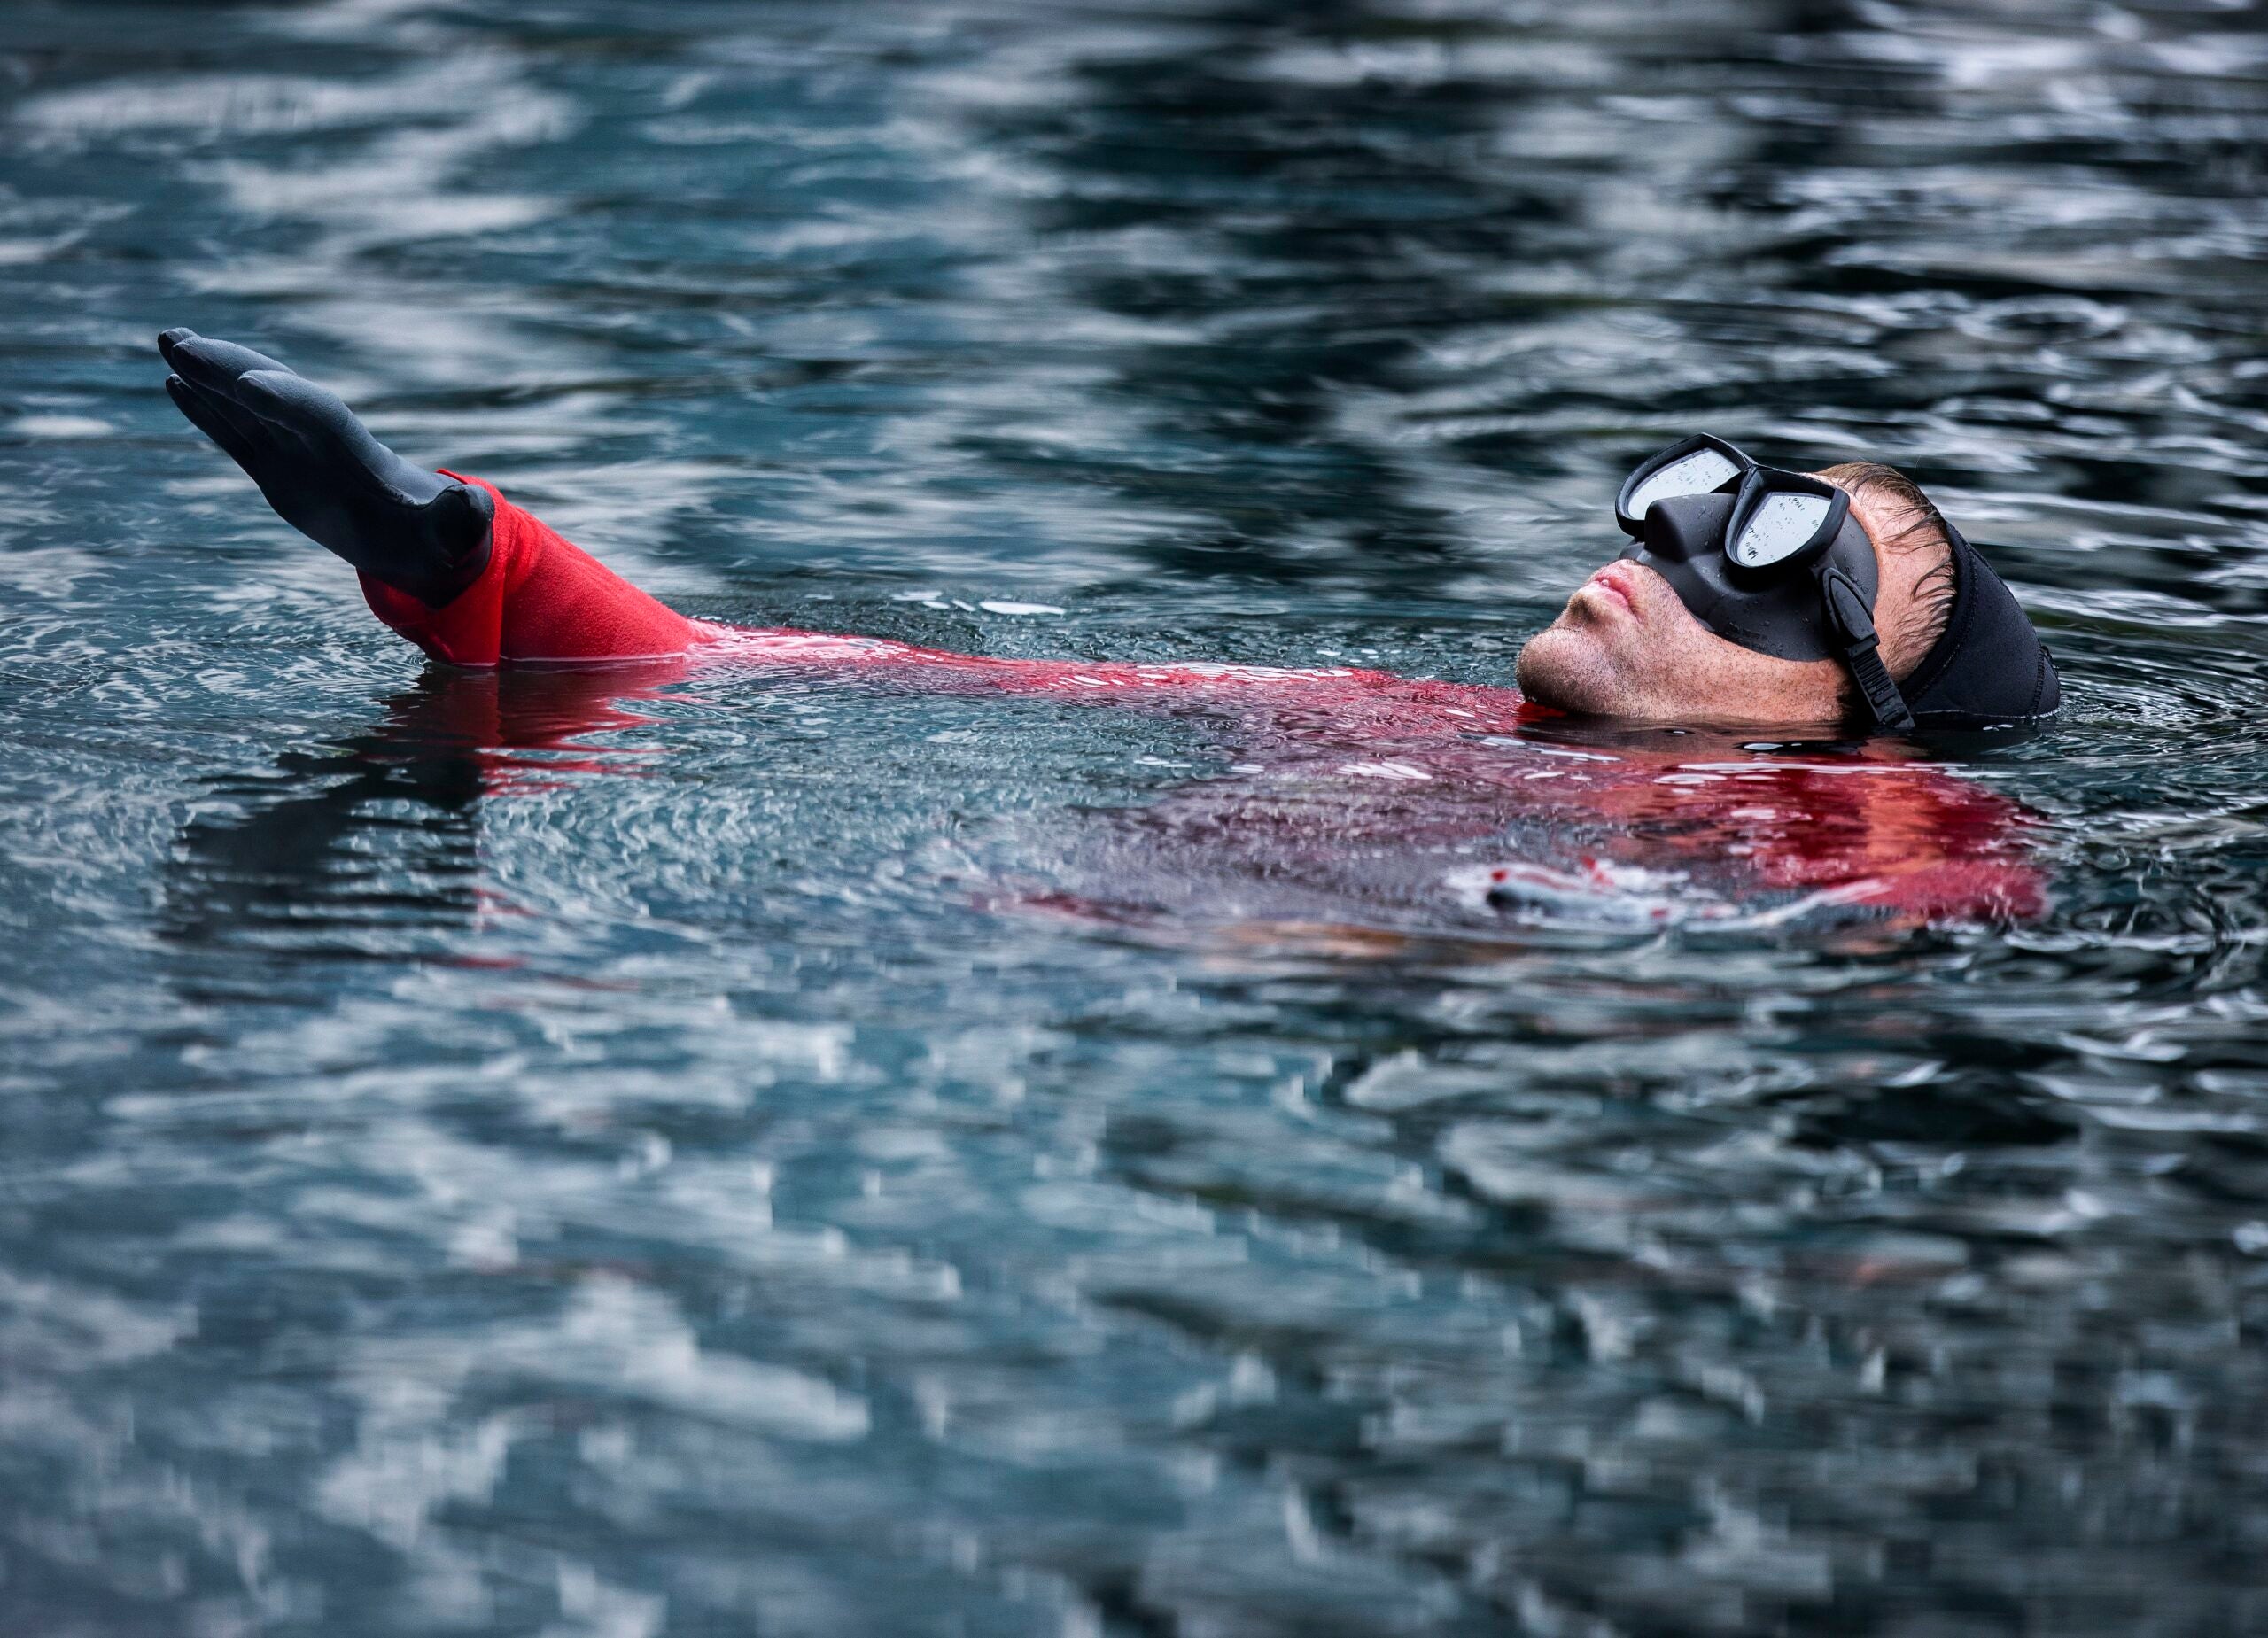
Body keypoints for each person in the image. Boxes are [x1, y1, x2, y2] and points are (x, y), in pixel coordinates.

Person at [156, 329, 2056, 928]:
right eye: (1697, 502)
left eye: (1782, 567)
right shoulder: (1351, 706)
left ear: (1849, 721)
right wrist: (447, 547)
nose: (1673, 549)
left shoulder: (1810, 852)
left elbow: (1959, 880)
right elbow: (835, 682)